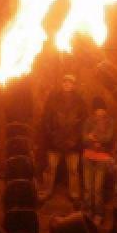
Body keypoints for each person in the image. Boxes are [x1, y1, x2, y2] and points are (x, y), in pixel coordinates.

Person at [39, 74, 87, 204]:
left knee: (73, 171)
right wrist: (53, 136)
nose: (67, 84)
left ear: (74, 85)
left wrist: (74, 139)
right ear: (62, 83)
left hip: (73, 143)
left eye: (70, 82)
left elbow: (83, 123)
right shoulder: (53, 99)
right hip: (55, 141)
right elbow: (47, 119)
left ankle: (74, 195)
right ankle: (46, 192)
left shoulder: (80, 101)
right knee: (50, 168)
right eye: (65, 82)